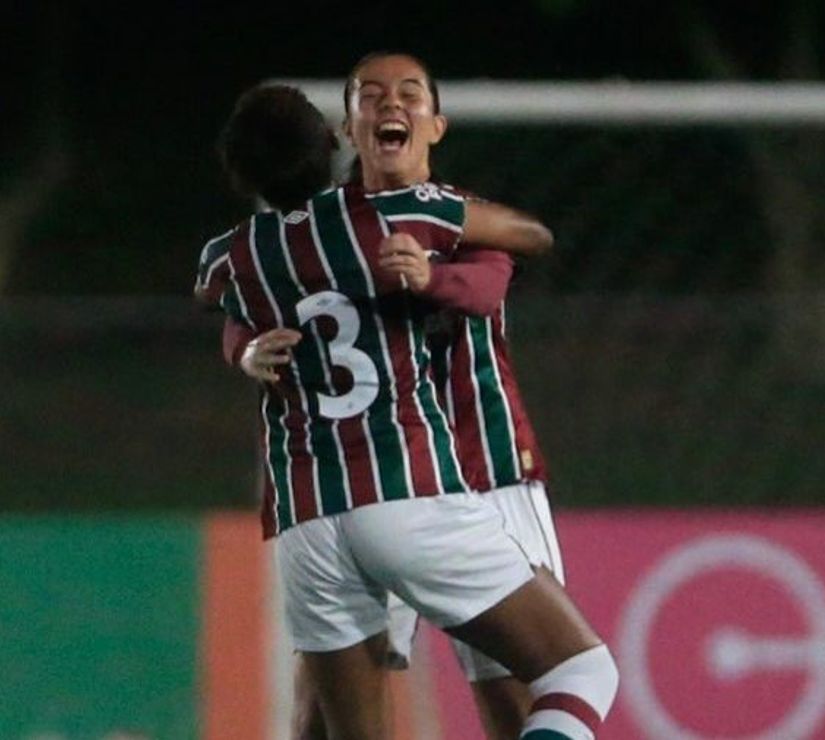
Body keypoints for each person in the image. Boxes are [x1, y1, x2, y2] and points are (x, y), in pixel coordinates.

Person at [199, 81, 617, 740]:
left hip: (307, 521)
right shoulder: (396, 216)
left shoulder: (228, 256)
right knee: (581, 672)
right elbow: (528, 234)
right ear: (340, 137)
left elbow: (217, 299)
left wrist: (245, 349)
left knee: (338, 729)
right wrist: (427, 262)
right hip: (409, 493)